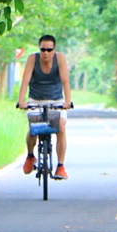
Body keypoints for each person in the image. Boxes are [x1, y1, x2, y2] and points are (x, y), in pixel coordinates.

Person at [17, 34, 73, 179]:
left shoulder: (60, 59)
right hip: (35, 99)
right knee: (34, 128)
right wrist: (21, 101)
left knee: (60, 127)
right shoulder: (32, 59)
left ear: (54, 50)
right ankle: (30, 156)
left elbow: (65, 81)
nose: (46, 53)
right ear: (39, 49)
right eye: (43, 50)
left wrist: (67, 101)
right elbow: (25, 81)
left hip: (56, 100)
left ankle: (60, 166)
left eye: (49, 50)